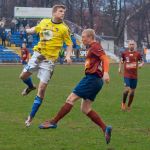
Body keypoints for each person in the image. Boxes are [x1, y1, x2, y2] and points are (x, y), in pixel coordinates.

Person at [39, 29, 112, 144]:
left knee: (70, 99)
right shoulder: (91, 48)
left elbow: (105, 58)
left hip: (91, 79)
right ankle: (105, 128)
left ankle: (54, 122)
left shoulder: (95, 46)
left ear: (90, 37)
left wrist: (106, 72)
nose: (81, 39)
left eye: (83, 37)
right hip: (96, 81)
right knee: (85, 108)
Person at [19, 4, 72, 127]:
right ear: (54, 13)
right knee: (22, 76)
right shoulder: (44, 22)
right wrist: (27, 30)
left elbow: (69, 44)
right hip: (38, 55)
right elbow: (35, 29)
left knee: (42, 89)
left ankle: (30, 118)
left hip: (49, 61)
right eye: (60, 11)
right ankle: (30, 86)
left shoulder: (64, 28)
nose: (63, 13)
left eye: (64, 12)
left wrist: (68, 56)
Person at [118, 40, 144, 111]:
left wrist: (141, 64)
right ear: (128, 45)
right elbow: (121, 61)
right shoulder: (124, 53)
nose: (131, 45)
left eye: (133, 44)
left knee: (132, 92)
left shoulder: (137, 54)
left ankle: (129, 106)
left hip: (134, 76)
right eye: (130, 44)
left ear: (134, 45)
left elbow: (142, 61)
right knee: (127, 89)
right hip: (127, 75)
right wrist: (119, 68)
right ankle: (123, 104)